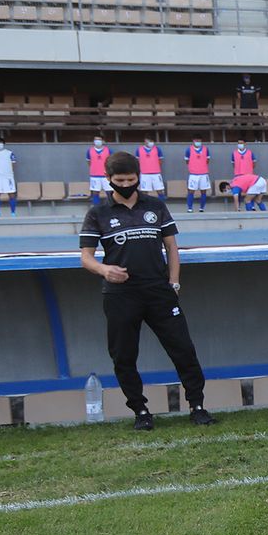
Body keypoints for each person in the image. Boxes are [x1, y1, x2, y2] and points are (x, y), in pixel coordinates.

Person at [78, 151, 214, 430]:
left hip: (159, 290)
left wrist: (174, 282)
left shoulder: (155, 206)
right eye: (120, 180)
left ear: (139, 177)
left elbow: (171, 247)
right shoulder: (98, 213)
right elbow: (86, 257)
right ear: (108, 178)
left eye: (131, 179)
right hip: (120, 295)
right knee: (124, 355)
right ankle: (140, 411)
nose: (126, 184)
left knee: (183, 348)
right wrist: (104, 270)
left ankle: (197, 405)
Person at [231, 140, 260, 209]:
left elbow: (254, 163)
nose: (240, 144)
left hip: (248, 175)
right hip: (238, 175)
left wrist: (249, 170)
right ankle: (238, 207)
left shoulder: (250, 153)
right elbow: (233, 164)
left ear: (245, 144)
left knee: (250, 191)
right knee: (238, 192)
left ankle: (252, 206)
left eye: (241, 143)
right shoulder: (234, 153)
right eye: (238, 143)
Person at [184, 137, 209, 213]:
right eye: (196, 140)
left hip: (203, 174)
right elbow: (187, 161)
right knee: (191, 191)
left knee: (203, 191)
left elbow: (208, 160)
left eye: (199, 140)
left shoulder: (206, 149)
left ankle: (202, 208)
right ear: (193, 141)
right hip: (193, 174)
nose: (198, 142)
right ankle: (190, 208)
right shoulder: (188, 150)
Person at [87, 135, 110, 206]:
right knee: (95, 192)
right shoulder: (89, 151)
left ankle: (111, 207)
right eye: (95, 140)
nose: (97, 141)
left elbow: (112, 161)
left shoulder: (109, 150)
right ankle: (96, 208)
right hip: (94, 176)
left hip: (106, 175)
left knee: (109, 192)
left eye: (99, 140)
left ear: (103, 141)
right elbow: (88, 162)